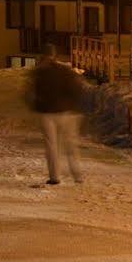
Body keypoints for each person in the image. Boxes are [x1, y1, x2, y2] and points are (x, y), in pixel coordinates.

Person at [27, 48, 87, 185]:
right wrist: (73, 106)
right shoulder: (65, 71)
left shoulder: (39, 73)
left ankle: (55, 177)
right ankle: (77, 175)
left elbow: (32, 94)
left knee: (52, 146)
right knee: (71, 145)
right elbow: (76, 89)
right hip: (67, 112)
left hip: (47, 113)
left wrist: (36, 106)